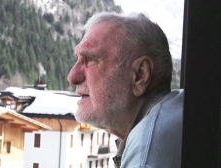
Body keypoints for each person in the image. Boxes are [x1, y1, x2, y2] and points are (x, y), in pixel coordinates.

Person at [67, 12, 183, 168]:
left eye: (90, 59)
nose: (72, 77)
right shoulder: (177, 112)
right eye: (78, 59)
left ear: (140, 75)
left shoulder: (146, 154)